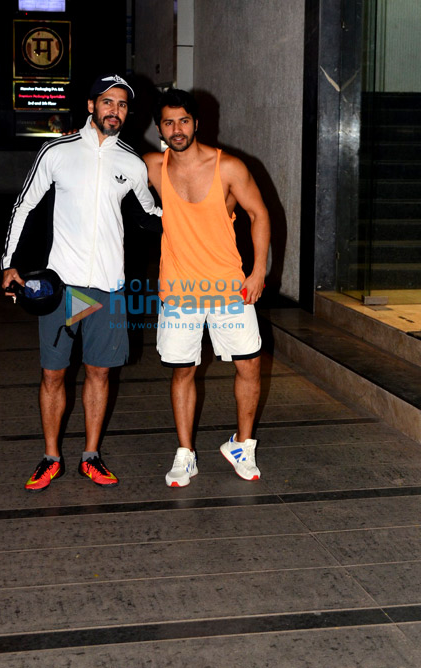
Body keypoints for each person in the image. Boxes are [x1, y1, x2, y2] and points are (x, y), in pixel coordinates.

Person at [2, 74, 161, 492]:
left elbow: (151, 216)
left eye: (123, 105)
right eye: (107, 102)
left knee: (98, 373)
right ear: (91, 106)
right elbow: (24, 206)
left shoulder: (131, 162)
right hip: (63, 286)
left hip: (106, 288)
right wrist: (9, 264)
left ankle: (91, 456)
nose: (115, 110)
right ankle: (51, 457)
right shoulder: (57, 151)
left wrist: (205, 217)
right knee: (54, 374)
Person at [143, 88, 270, 488]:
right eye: (168, 122)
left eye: (183, 120)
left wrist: (258, 271)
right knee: (184, 370)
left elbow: (259, 213)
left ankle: (242, 445)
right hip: (179, 288)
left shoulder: (228, 167)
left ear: (196, 122)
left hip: (229, 285)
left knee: (249, 364)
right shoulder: (150, 165)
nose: (176, 129)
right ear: (159, 127)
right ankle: (186, 454)